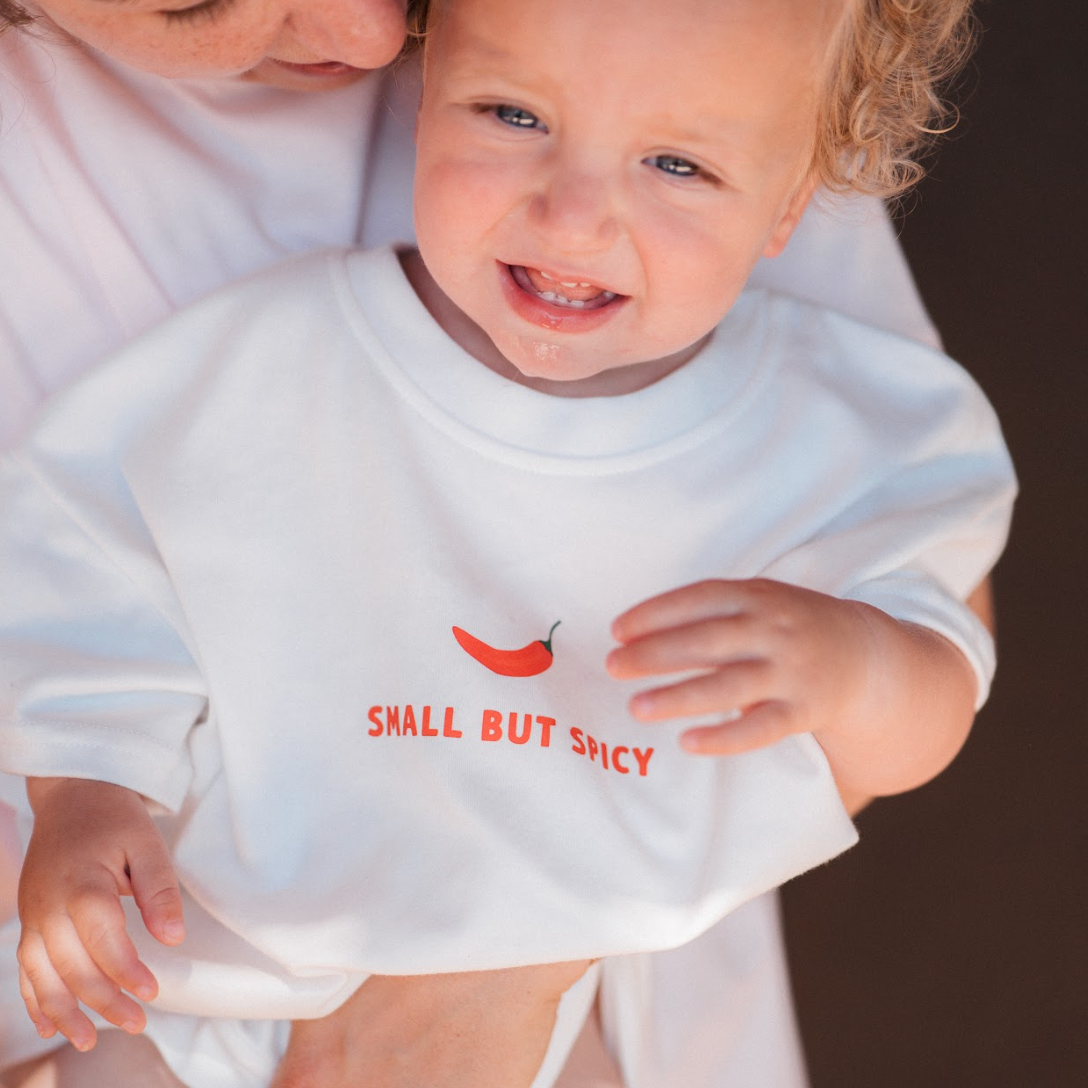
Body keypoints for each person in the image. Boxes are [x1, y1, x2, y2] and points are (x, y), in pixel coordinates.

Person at [0, 0, 1014, 1085]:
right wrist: (86, 783)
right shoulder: (271, 352)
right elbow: (94, 552)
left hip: (561, 999)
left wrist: (856, 664)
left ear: (789, 210)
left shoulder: (824, 403)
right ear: (429, 109)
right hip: (181, 965)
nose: (573, 217)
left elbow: (937, 655)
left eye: (673, 163)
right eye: (508, 115)